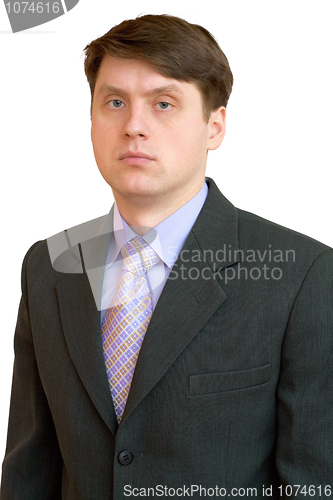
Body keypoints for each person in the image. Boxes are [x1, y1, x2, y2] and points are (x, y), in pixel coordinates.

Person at [1, 13, 332, 500]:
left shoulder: (304, 275)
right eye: (114, 102)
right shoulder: (49, 265)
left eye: (164, 103)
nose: (134, 126)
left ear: (214, 126)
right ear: (91, 120)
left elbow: (313, 484)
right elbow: (29, 469)